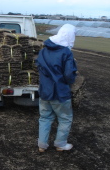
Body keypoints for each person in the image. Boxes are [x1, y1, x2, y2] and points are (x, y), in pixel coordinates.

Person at [35, 24, 77, 152]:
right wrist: (70, 81)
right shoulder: (66, 52)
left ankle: (42, 145)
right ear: (69, 36)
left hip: (45, 92)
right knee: (65, 118)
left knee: (45, 117)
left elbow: (39, 68)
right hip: (60, 92)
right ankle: (60, 144)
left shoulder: (43, 50)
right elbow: (69, 74)